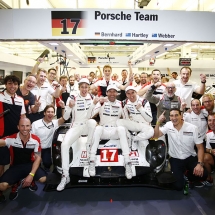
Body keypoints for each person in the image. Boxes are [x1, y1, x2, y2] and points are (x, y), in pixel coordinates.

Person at [57, 78, 97, 191]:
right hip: (75, 127)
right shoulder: (72, 97)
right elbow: (65, 118)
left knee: (92, 122)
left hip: (87, 126)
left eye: (86, 87)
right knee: (64, 145)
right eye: (82, 87)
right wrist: (68, 107)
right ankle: (65, 176)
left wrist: (93, 104)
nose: (84, 89)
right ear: (79, 87)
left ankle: (89, 149)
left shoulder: (93, 98)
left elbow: (90, 116)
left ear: (89, 88)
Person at [154, 108, 208, 191]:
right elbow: (156, 136)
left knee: (203, 174)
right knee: (178, 186)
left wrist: (200, 164)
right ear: (169, 117)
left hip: (190, 157)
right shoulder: (168, 125)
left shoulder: (192, 128)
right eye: (172, 116)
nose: (174, 118)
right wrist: (158, 122)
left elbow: (200, 148)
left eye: (176, 115)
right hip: (175, 158)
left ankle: (188, 176)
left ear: (181, 116)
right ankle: (181, 176)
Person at [88, 85, 133, 179]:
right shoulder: (102, 102)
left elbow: (126, 120)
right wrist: (97, 103)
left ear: (117, 93)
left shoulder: (121, 104)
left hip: (115, 131)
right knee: (98, 128)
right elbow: (90, 115)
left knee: (121, 128)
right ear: (107, 93)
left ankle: (127, 162)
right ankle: (92, 160)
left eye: (114, 92)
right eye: (110, 91)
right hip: (103, 130)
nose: (112, 94)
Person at [0, 118, 46, 203]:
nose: (25, 129)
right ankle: (16, 183)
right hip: (15, 167)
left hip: (30, 166)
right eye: (22, 126)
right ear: (18, 127)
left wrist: (31, 175)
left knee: (43, 179)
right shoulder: (11, 139)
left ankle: (30, 180)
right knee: (2, 186)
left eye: (27, 126)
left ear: (31, 127)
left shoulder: (36, 140)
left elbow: (38, 158)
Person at [31, 104, 70, 172]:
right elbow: (31, 138)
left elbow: (64, 118)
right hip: (36, 148)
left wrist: (63, 107)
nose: (50, 114)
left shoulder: (55, 123)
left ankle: (47, 173)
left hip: (48, 148)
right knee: (35, 165)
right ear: (44, 113)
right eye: (48, 112)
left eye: (52, 112)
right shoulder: (35, 124)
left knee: (47, 163)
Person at [0, 75, 26, 177]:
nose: (12, 86)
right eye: (10, 83)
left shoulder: (20, 99)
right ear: (6, 84)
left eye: (15, 84)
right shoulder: (0, 96)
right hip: (2, 134)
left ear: (18, 86)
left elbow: (23, 116)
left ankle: (13, 182)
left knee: (15, 161)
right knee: (1, 163)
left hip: (15, 135)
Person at [116, 86, 154, 150]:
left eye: (132, 93)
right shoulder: (125, 102)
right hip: (134, 124)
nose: (131, 95)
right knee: (118, 122)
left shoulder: (144, 101)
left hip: (144, 125)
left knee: (151, 132)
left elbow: (150, 119)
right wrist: (129, 127)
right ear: (126, 95)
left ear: (136, 93)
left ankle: (134, 138)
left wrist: (141, 109)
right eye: (128, 93)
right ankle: (130, 136)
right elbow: (125, 117)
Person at [203, 113, 215, 186]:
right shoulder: (208, 134)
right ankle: (209, 178)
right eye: (210, 120)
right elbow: (207, 149)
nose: (212, 123)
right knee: (204, 157)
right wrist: (211, 151)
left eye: (214, 120)